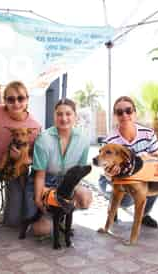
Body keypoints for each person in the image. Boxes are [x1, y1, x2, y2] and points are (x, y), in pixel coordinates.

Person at [0, 81, 41, 233]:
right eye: (10, 99)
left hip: (15, 169)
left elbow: (34, 156)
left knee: (13, 221)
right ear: (4, 100)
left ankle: (15, 207)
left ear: (27, 99)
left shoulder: (35, 126)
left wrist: (21, 158)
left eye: (20, 98)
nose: (16, 103)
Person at [31, 98, 92, 236]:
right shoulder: (44, 138)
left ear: (75, 116)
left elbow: (79, 173)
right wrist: (38, 199)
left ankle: (63, 214)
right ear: (54, 116)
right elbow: (39, 175)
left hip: (67, 182)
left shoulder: (83, 139)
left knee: (85, 197)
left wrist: (73, 192)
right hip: (46, 182)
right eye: (59, 114)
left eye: (68, 114)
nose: (64, 118)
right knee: (42, 231)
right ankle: (51, 217)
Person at [98, 96, 158, 228]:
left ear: (135, 113)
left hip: (142, 178)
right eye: (119, 112)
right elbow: (105, 170)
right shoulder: (110, 140)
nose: (125, 115)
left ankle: (143, 214)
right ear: (115, 116)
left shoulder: (148, 134)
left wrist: (148, 158)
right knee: (125, 201)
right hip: (112, 179)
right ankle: (113, 206)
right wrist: (112, 173)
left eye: (128, 110)